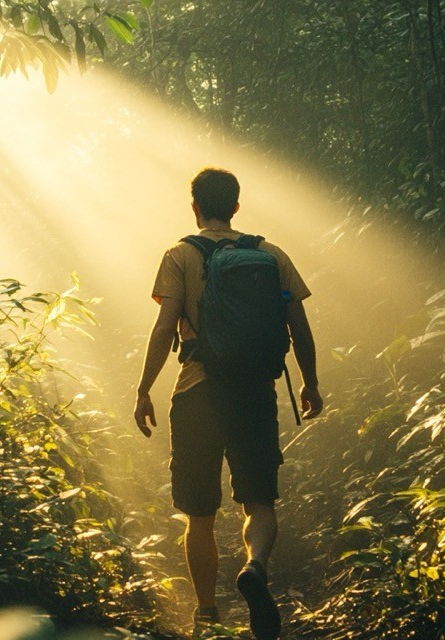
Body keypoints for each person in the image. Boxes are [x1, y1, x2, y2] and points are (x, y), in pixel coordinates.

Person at [133, 167, 323, 639]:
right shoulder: (270, 255)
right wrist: (310, 383)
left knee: (200, 513)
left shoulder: (180, 255)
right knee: (259, 500)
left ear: (194, 205)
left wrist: (143, 390)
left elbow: (164, 327)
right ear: (236, 206)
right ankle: (255, 567)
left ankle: (206, 613)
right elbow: (299, 326)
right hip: (255, 392)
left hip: (197, 392)